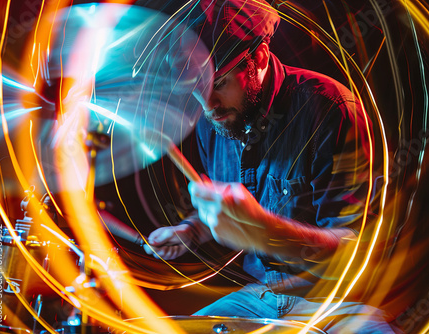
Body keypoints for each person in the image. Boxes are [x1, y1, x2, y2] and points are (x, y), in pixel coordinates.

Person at [146, 1, 400, 332]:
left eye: (219, 82)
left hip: (336, 302)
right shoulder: (216, 118)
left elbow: (359, 249)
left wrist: (267, 233)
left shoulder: (330, 108)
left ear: (261, 57)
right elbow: (232, 205)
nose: (207, 103)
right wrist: (192, 229)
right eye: (195, 87)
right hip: (259, 298)